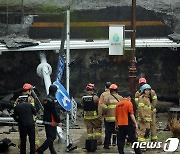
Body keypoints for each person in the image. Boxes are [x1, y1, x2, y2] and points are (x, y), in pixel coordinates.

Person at [37, 85, 62, 154]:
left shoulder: (46, 99)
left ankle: (52, 151)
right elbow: (54, 112)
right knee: (52, 137)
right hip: (52, 120)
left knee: (49, 136)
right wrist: (58, 121)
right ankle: (41, 149)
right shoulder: (53, 100)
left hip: (46, 119)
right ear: (55, 91)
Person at [14, 83, 40, 149]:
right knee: (33, 137)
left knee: (22, 137)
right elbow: (34, 110)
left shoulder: (18, 99)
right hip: (31, 121)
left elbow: (15, 109)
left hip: (21, 122)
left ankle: (21, 147)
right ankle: (35, 148)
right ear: (29, 91)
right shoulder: (31, 99)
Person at [102, 84, 123, 149]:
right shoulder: (120, 98)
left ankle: (106, 145)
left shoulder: (107, 98)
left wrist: (104, 114)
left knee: (108, 132)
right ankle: (118, 144)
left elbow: (104, 108)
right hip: (118, 119)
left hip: (109, 119)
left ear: (110, 90)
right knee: (118, 132)